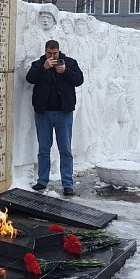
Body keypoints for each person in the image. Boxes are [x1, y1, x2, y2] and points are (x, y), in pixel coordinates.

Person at [26, 39, 84, 196]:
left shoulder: (70, 63)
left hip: (63, 113)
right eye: (49, 53)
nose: (52, 56)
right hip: (43, 113)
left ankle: (67, 184)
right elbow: (30, 78)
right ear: (45, 52)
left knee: (65, 149)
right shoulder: (39, 64)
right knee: (44, 149)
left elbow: (79, 80)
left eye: (55, 53)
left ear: (59, 51)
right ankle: (42, 181)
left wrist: (65, 71)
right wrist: (44, 69)